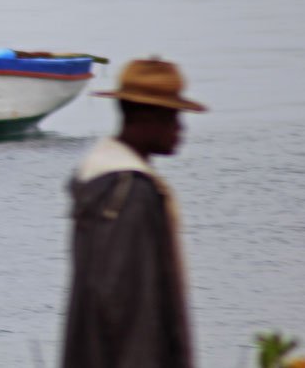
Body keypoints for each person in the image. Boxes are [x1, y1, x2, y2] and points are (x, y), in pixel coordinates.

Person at [62, 58, 207, 368]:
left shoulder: (98, 179)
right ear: (145, 115)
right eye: (172, 116)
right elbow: (128, 303)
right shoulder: (129, 193)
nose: (179, 128)